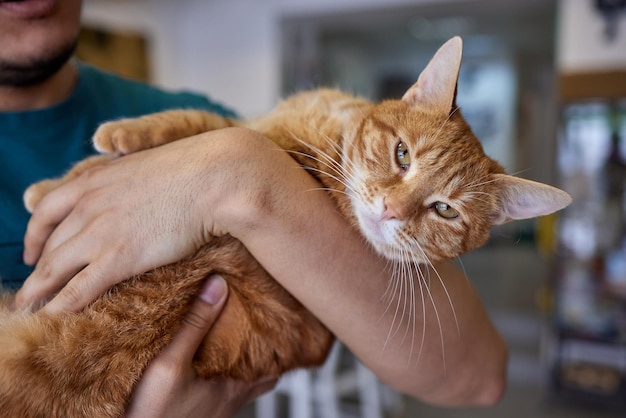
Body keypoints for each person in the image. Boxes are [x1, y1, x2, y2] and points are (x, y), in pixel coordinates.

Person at [2, 0, 508, 416]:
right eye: (401, 158)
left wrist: (245, 170)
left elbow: (479, 373)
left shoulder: (185, 106)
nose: (395, 208)